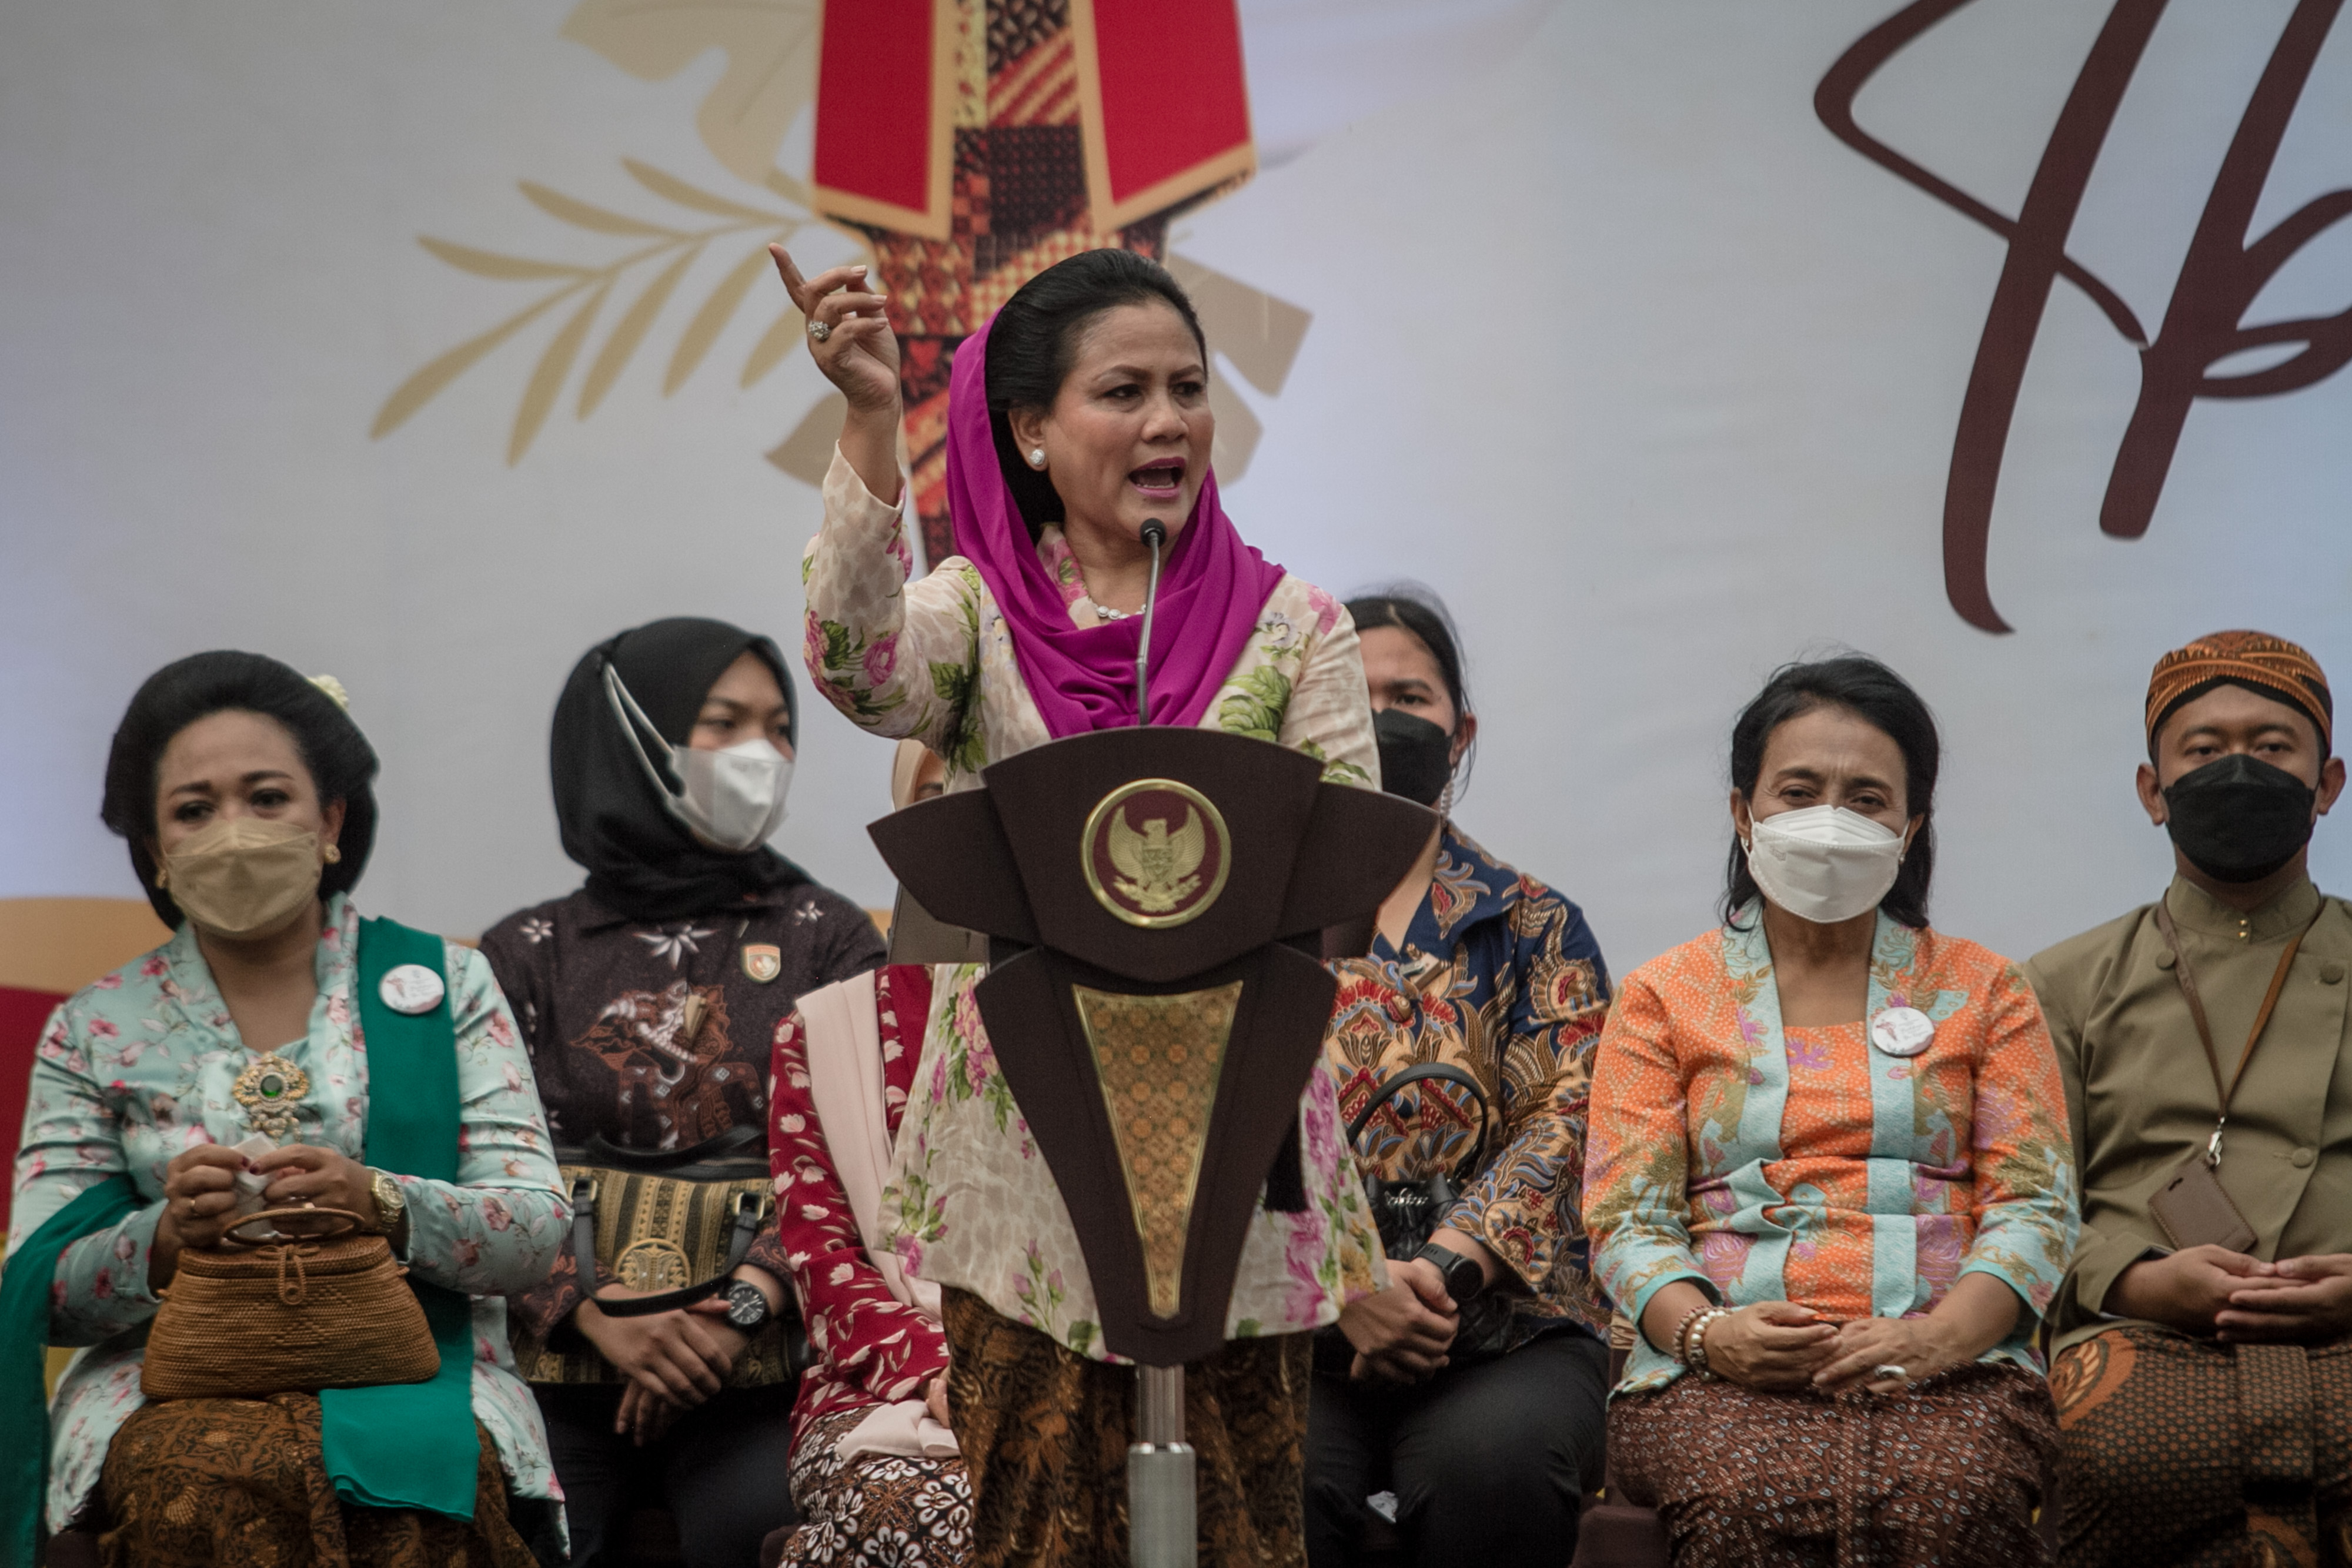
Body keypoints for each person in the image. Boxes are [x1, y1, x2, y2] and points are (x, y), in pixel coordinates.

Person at [769, 240, 1387, 1566]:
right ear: (1033, 433)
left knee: (1240, 1524)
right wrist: (871, 415)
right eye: (1123, 392)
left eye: (1187, 387)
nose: (1166, 421)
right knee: (1040, 1525)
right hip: (1023, 1141)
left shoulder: (1297, 625)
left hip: (1241, 1128)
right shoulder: (974, 613)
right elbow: (855, 665)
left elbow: (1347, 856)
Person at [3, 651, 567, 1566]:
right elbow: (42, 1290)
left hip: (417, 1362)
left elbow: (536, 1235)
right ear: (154, 850)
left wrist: (380, 1203)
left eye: (268, 798)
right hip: (164, 1388)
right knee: (197, 1479)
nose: (234, 831)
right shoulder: (96, 1027)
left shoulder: (445, 985)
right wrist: (166, 1238)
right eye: (194, 810)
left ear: (332, 818)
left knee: (420, 1489)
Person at [1582, 654, 2079, 1567]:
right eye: (1799, 791)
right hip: (1712, 1373)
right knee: (1743, 1499)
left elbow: (2035, 1208)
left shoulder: (1985, 990)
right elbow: (1625, 1220)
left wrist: (1934, 1341)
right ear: (1743, 812)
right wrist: (1710, 1333)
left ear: (1911, 823)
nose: (1829, 822)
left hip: (1953, 1368)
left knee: (1950, 1498)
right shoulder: (1663, 996)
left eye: (1867, 800)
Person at [478, 617, 886, 1568]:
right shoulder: (525, 956)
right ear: (632, 740)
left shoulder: (833, 942)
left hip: (763, 1370)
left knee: (758, 1526)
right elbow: (485, 1164)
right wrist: (598, 1311)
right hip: (554, 1362)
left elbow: (871, 1162)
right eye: (724, 721)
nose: (765, 752)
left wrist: (734, 1312)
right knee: (516, 1525)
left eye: (779, 725)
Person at [2026, 630, 2352, 1567]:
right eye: (2204, 752)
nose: (2239, 771)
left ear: (2327, 785)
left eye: (2274, 746)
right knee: (2124, 1449)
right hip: (2141, 1334)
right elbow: (2028, 1207)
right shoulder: (2063, 983)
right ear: (2152, 789)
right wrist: (2132, 1280)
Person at [1309, 589, 1612, 1567]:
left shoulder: (1535, 923)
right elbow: (1229, 1127)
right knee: (1274, 1477)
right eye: (1354, 701)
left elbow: (1565, 1120)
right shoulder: (1256, 923)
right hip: (1302, 1321)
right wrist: (1350, 1281)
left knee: (1497, 1469)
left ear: (1460, 729)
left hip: (1500, 1327)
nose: (1385, 722)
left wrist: (1435, 1277)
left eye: (1411, 697)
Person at [768, 739, 972, 1567]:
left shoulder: (1106, 1020)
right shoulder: (821, 1031)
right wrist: (937, 1373)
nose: (955, 820)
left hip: (1074, 1378)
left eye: (986, 791)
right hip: (876, 1386)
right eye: (930, 794)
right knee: (924, 1510)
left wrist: (1010, 1375)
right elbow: (826, 1266)